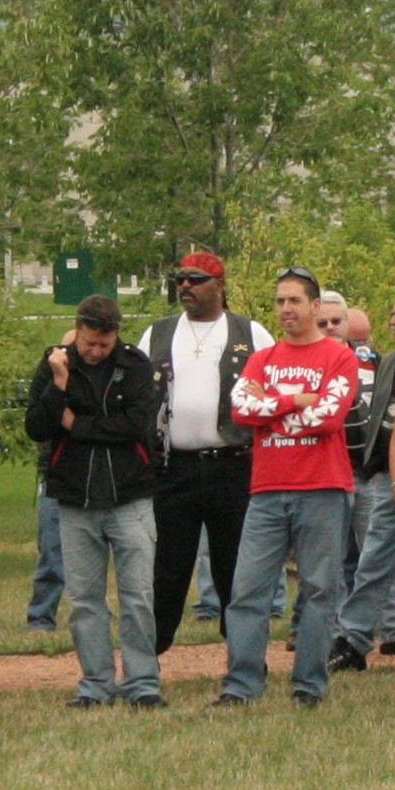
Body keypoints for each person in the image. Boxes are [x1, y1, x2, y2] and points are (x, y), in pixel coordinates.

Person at [216, 270, 362, 708]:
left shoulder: (339, 357)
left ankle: (309, 687)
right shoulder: (262, 358)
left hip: (323, 487)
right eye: (280, 301)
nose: (286, 310)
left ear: (316, 306)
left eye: (295, 301)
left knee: (318, 591)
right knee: (246, 593)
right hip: (267, 489)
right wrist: (296, 401)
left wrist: (272, 409)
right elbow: (241, 409)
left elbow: (330, 416)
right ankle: (241, 686)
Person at [26, 296, 163, 708]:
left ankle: (142, 683)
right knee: (85, 600)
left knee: (138, 596)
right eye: (89, 343)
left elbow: (135, 426)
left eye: (104, 344)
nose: (96, 351)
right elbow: (37, 426)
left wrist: (76, 424)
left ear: (116, 335)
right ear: (77, 330)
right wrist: (59, 387)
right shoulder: (55, 364)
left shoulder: (136, 366)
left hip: (130, 496)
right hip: (74, 498)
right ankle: (95, 684)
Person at [142, 252, 262, 654]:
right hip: (173, 469)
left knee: (235, 568)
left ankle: (243, 657)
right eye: (181, 281)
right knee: (169, 567)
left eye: (195, 280)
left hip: (233, 467)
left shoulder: (250, 332)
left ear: (219, 285)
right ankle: (151, 659)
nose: (185, 288)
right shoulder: (158, 333)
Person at [336, 285, 395, 668]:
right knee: (374, 561)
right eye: (393, 314)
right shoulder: (391, 362)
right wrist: (376, 466)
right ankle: (351, 642)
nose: (392, 321)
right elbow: (380, 418)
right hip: (390, 478)